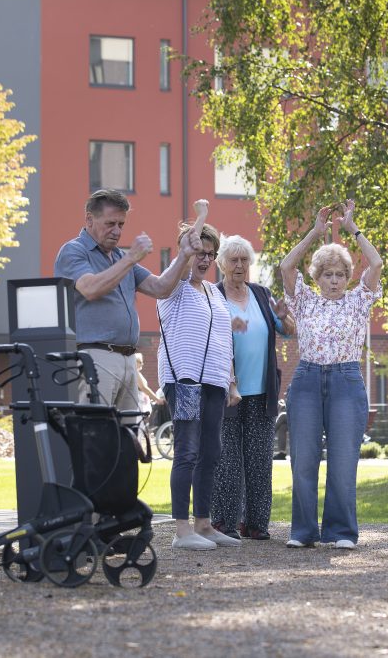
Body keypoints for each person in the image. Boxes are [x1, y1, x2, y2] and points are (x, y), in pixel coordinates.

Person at [280, 200, 383, 550]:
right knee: (304, 461)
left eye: (340, 274)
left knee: (342, 463)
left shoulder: (358, 299)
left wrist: (352, 228)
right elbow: (286, 265)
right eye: (328, 274)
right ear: (318, 277)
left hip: (346, 382)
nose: (335, 280)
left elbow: (378, 262)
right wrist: (315, 232)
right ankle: (303, 531)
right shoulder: (306, 300)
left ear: (347, 277)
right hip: (307, 381)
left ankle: (340, 532)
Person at [54, 189, 201, 407]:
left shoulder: (120, 258)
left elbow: (160, 288)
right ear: (89, 219)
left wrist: (184, 255)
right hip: (95, 355)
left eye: (121, 225)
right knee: (96, 432)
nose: (116, 231)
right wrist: (131, 258)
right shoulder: (74, 251)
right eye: (110, 223)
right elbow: (90, 288)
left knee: (129, 435)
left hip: (128, 359)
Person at [157, 203, 243, 551]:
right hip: (185, 380)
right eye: (199, 252)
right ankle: (182, 531)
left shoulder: (213, 294)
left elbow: (224, 339)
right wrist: (202, 216)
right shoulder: (172, 284)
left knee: (211, 451)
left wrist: (231, 382)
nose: (205, 259)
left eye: (211, 254)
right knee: (188, 451)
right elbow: (187, 247)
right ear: (186, 252)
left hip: (213, 383)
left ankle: (204, 525)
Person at [210, 235, 295, 541]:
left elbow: (287, 332)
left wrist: (285, 318)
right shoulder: (213, 295)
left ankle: (255, 523)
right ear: (221, 263)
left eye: (244, 259)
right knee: (228, 460)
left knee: (260, 460)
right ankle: (223, 522)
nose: (239, 265)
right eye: (233, 260)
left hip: (261, 390)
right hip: (225, 391)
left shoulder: (261, 294)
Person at [133, 352, 164, 427]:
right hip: (138, 404)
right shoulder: (135, 373)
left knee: (142, 426)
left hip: (142, 403)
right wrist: (157, 399)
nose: (142, 364)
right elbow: (144, 388)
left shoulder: (138, 373)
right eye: (140, 362)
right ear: (134, 362)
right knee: (139, 426)